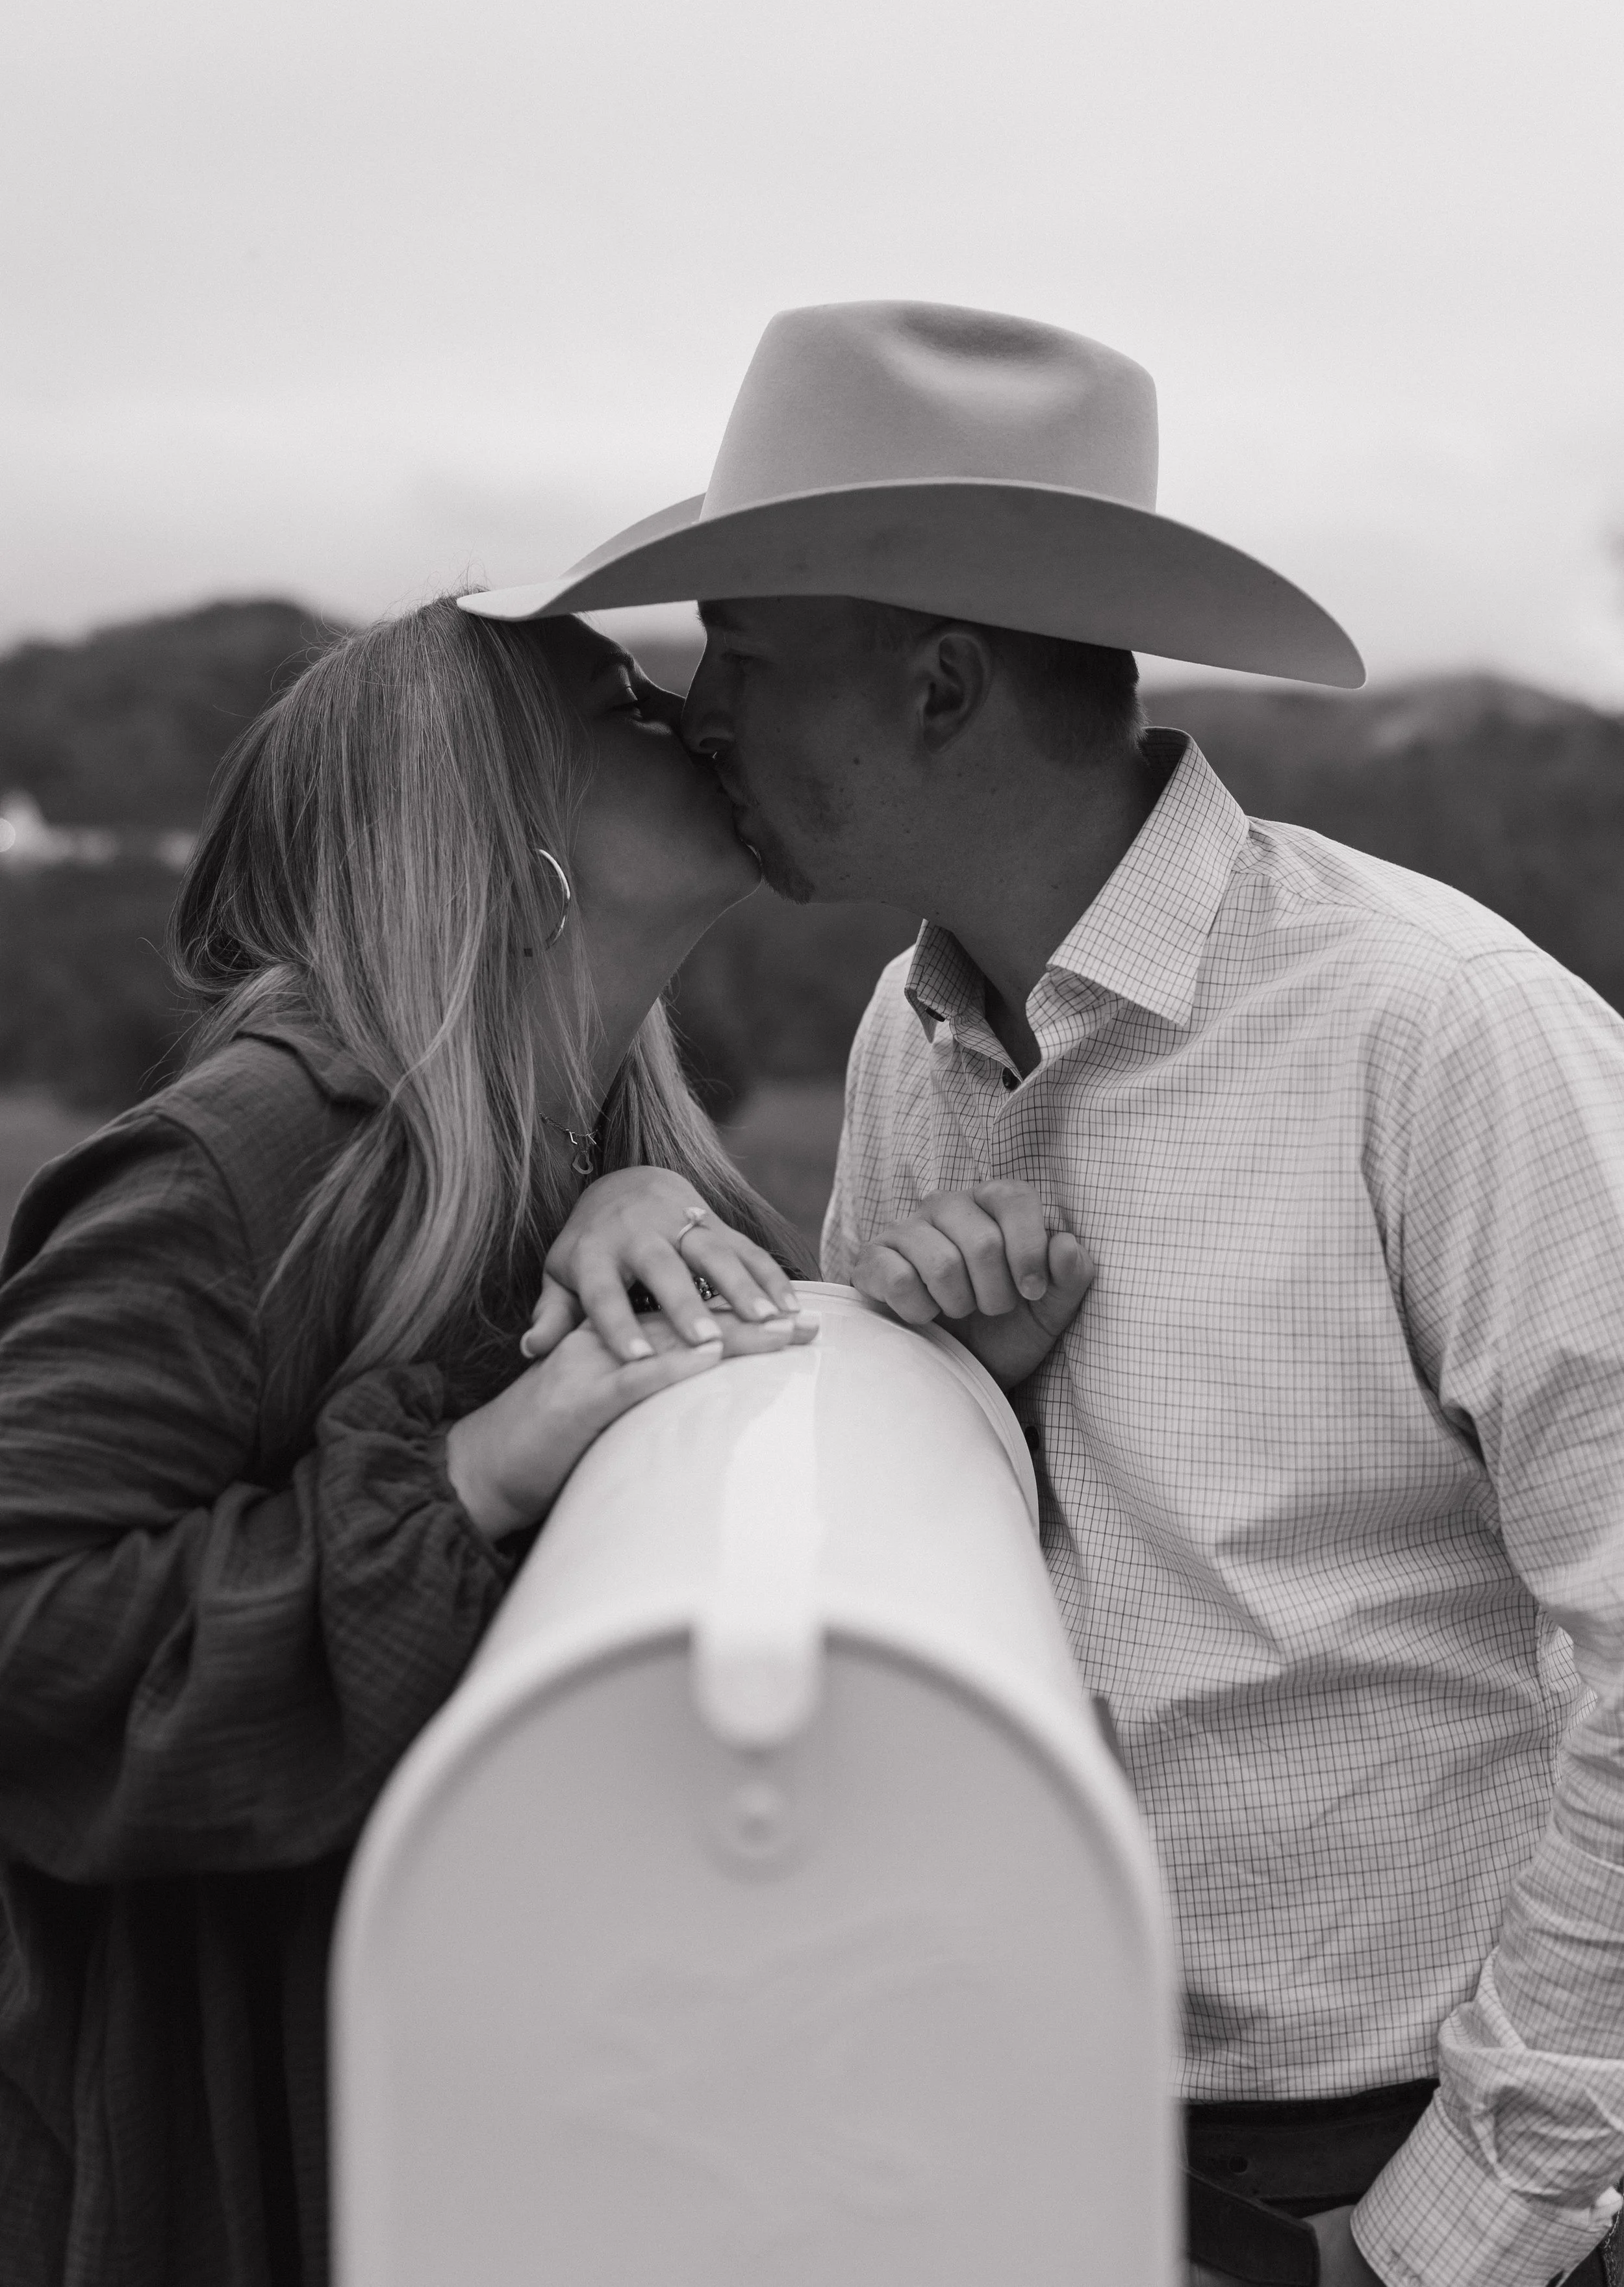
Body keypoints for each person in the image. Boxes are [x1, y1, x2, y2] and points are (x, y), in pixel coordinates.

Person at [465, 301, 1624, 2287]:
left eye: (744, 656)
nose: (703, 714)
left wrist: (1445, 2237)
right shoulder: (907, 1047)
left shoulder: (1441, 1033)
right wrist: (900, 1361)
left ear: (936, 684)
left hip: (1392, 2159)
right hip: (1026, 2119)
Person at [0, 594, 820, 2287]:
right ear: (503, 827)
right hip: (257, 2152)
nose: (694, 716)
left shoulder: (612, 1157)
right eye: (624, 710)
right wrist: (474, 1468)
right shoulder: (238, 1167)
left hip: (551, 2095)